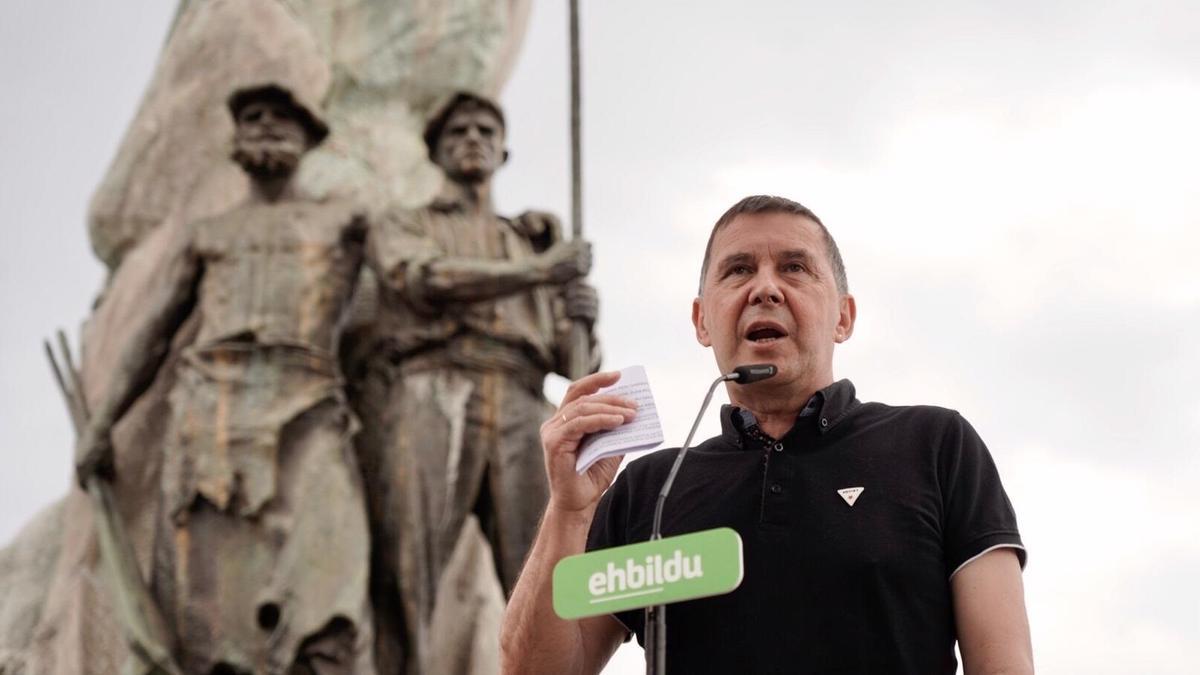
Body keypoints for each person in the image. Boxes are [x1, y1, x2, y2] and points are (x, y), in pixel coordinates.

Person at [500, 195, 1032, 674]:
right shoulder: (650, 491)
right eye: (738, 270)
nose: (765, 289)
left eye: (795, 268)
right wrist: (569, 511)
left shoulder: (935, 446)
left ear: (843, 317)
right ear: (702, 321)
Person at [75, 83, 375, 674]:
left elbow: (420, 266)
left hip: (308, 400)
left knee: (328, 565)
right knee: (212, 607)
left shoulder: (345, 222)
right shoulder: (209, 232)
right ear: (234, 140)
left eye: (281, 117)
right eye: (252, 117)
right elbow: (154, 332)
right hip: (213, 409)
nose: (266, 126)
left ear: (309, 138)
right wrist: (102, 423)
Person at [354, 92, 600, 672]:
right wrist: (540, 270)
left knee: (550, 566)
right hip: (432, 389)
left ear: (502, 152)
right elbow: (421, 278)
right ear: (435, 152)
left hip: (521, 397)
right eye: (458, 131)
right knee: (406, 573)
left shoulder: (531, 241)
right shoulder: (408, 223)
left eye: (485, 131)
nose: (472, 139)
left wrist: (581, 313)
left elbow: (577, 366)